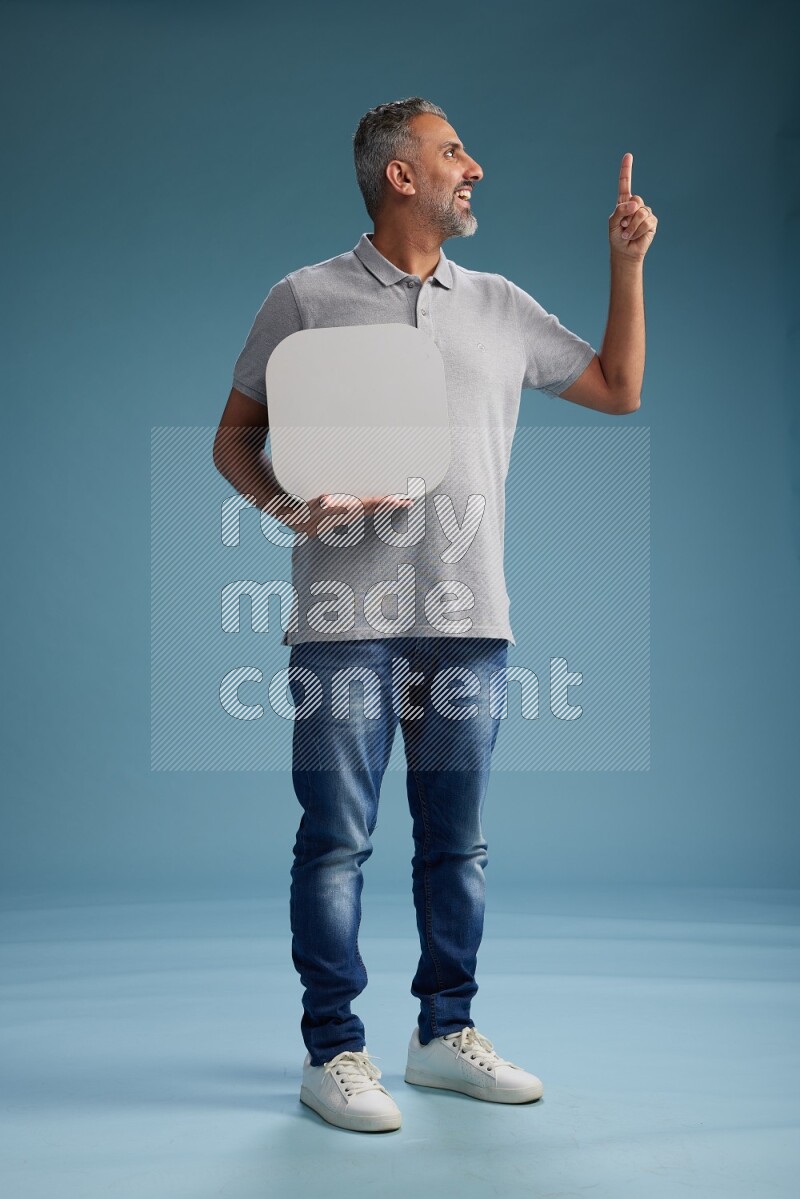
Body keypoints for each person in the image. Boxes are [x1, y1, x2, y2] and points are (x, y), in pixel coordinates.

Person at [213, 97, 657, 1134]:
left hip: (469, 620)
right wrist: (290, 509)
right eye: (453, 151)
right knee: (336, 842)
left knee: (457, 846)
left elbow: (618, 387)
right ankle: (334, 1050)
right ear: (399, 175)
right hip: (341, 623)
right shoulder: (304, 297)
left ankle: (442, 1033)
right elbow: (234, 439)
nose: (475, 168)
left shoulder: (499, 304)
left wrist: (626, 264)